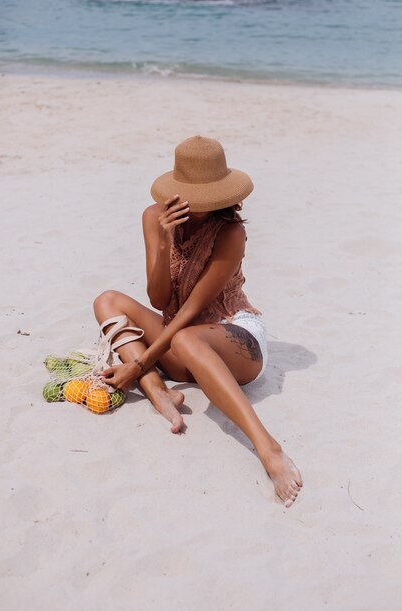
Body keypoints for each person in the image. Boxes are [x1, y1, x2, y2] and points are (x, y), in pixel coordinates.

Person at [94, 135, 302, 507]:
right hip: (179, 340)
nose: (200, 206)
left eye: (210, 197)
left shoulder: (231, 232)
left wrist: (137, 363)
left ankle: (268, 448)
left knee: (188, 337)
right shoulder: (153, 217)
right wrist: (163, 241)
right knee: (107, 301)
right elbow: (160, 300)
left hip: (235, 341)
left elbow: (191, 310)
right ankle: (158, 390)